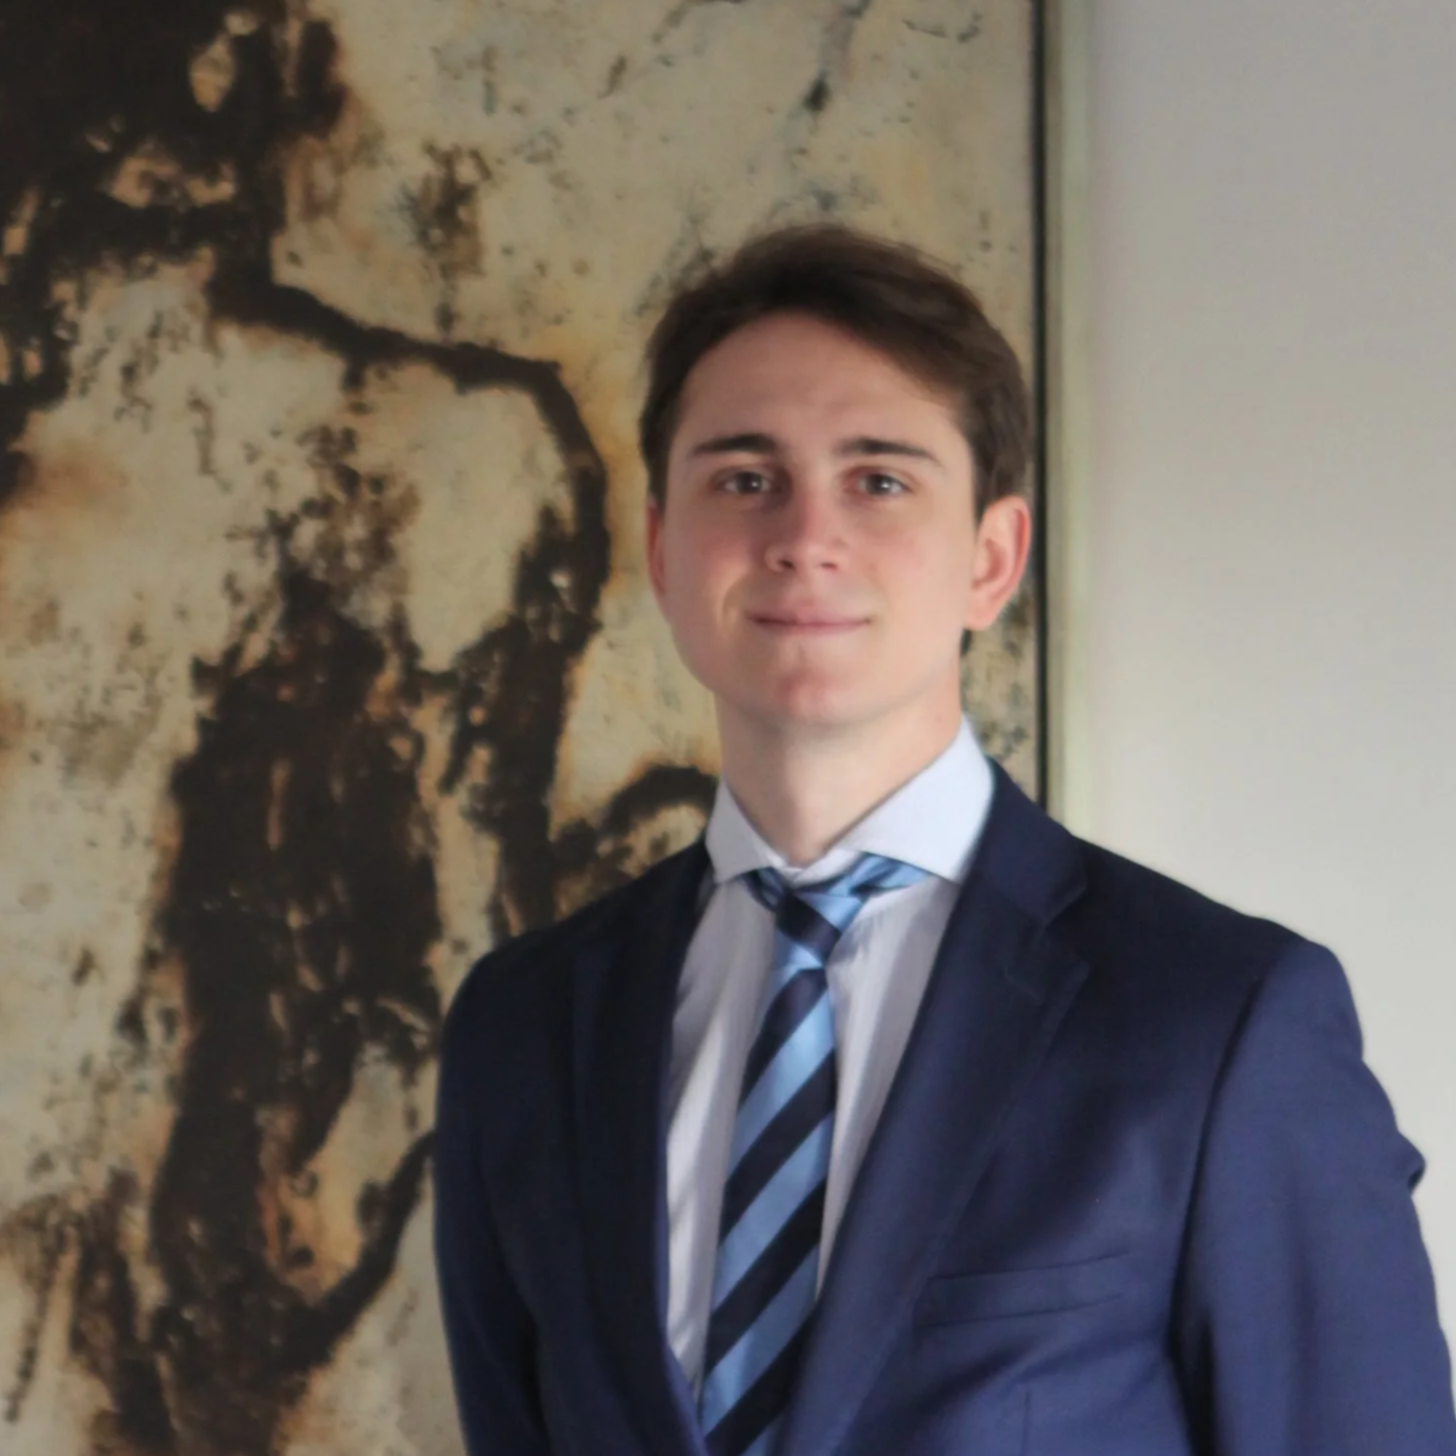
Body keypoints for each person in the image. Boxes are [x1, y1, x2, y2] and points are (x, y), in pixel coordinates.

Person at [432, 225, 1456, 1456]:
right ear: (660, 547)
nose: (805, 536)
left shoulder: (1221, 1018)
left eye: (879, 479)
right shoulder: (522, 1027)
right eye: (744, 477)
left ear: (991, 558)